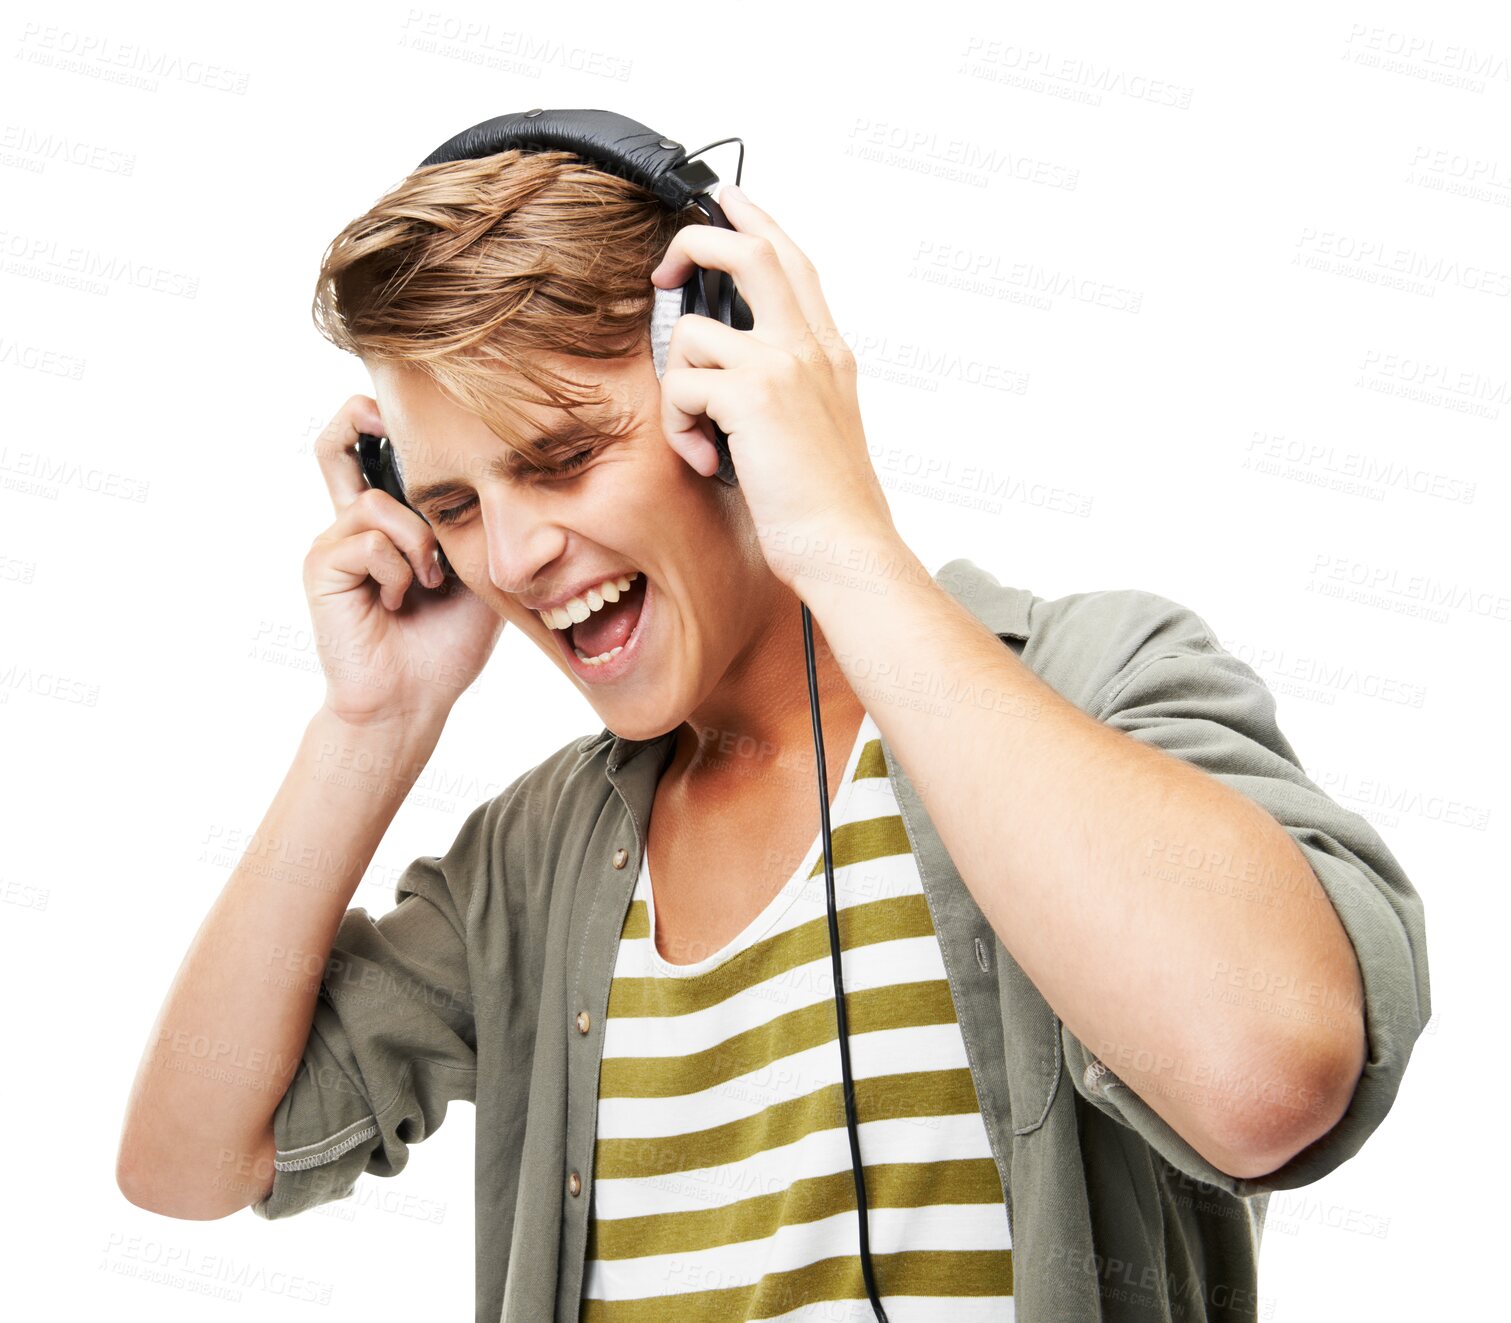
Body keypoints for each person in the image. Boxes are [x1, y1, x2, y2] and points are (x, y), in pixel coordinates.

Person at [116, 147, 1431, 1323]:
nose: (512, 556)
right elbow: (185, 1165)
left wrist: (840, 536)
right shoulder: (536, 863)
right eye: (456, 504)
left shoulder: (1095, 684)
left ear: (723, 393)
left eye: (565, 457)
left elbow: (1266, 1075)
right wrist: (374, 718)